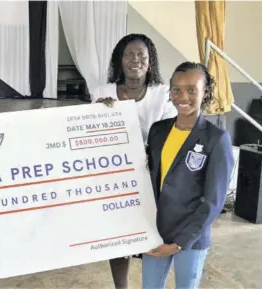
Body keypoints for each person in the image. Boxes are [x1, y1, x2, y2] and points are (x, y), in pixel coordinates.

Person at [92, 34, 177, 289]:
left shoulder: (162, 94)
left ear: (150, 62)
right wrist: (96, 112)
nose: (135, 59)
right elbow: (90, 134)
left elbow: (169, 135)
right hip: (113, 178)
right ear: (120, 60)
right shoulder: (103, 92)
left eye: (142, 55)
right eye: (129, 54)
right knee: (118, 238)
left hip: (152, 177)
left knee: (151, 235)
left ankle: (152, 285)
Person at [143, 62, 234, 288]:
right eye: (176, 89)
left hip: (191, 236)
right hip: (157, 230)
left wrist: (180, 243)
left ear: (206, 93)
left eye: (192, 89)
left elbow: (213, 201)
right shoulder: (158, 130)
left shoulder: (216, 139)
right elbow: (146, 181)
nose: (183, 96)